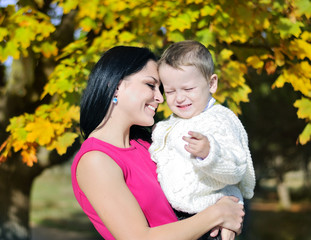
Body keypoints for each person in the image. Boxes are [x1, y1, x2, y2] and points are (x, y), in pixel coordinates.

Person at [71, 45, 245, 240]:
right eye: (150, 85)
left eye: (160, 89)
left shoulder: (150, 144)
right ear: (116, 85)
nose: (160, 98)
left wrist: (228, 212)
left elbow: (205, 185)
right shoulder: (96, 160)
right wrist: (217, 215)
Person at [149, 40, 256, 240]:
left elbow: (236, 167)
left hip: (208, 218)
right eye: (170, 91)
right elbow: (168, 138)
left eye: (188, 89)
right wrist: (158, 132)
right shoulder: (177, 120)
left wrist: (210, 153)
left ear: (211, 83)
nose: (179, 98)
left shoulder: (219, 121)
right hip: (182, 216)